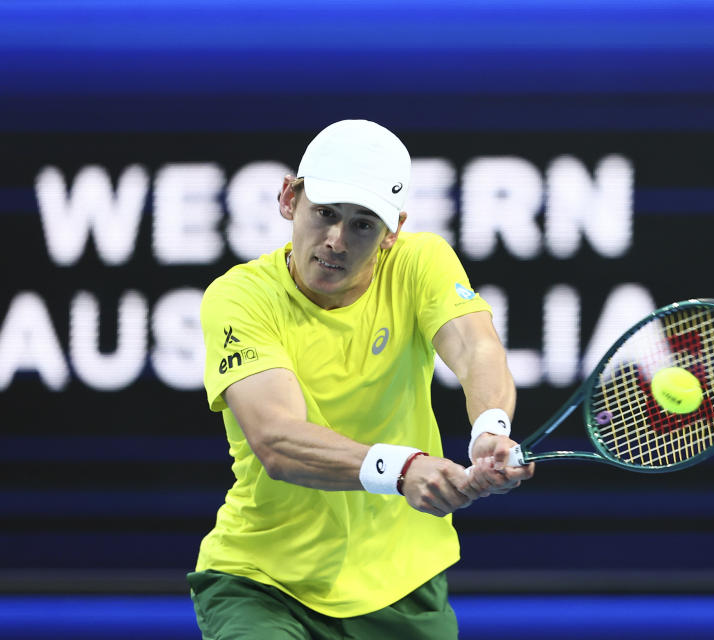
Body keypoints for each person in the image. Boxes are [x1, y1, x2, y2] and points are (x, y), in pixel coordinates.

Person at [187, 119, 534, 639]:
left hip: (402, 585)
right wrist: (403, 469)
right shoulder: (240, 297)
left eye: (362, 225)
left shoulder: (421, 262)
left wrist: (490, 426)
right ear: (289, 198)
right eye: (324, 213)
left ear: (392, 230)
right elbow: (277, 441)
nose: (336, 241)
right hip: (264, 583)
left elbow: (475, 345)